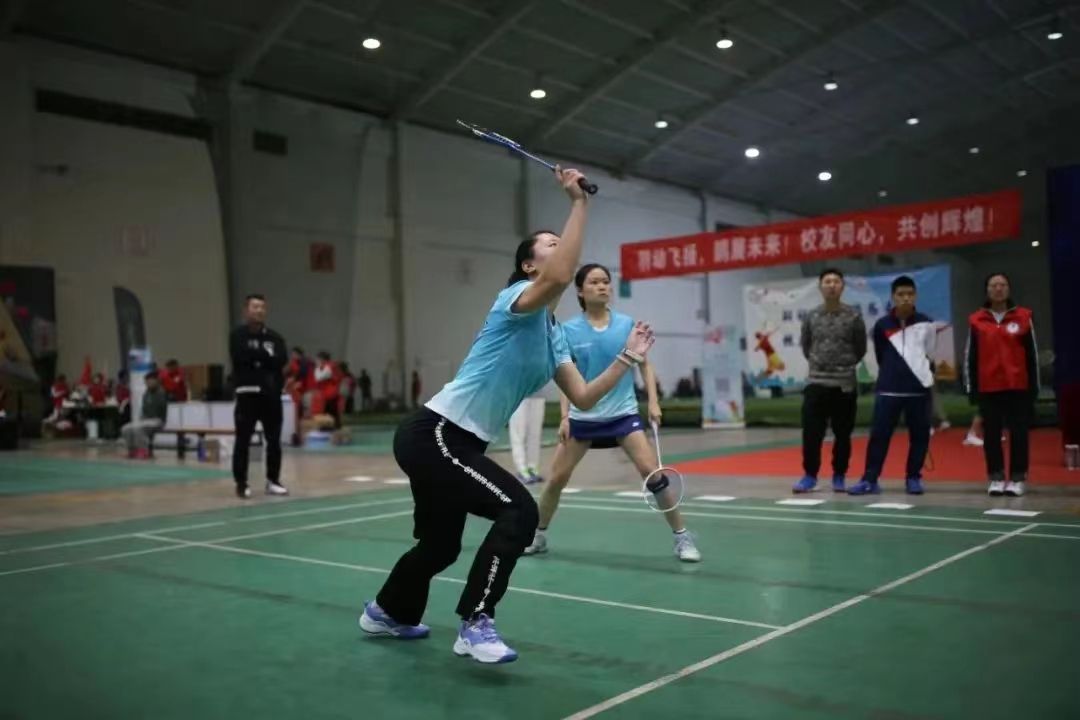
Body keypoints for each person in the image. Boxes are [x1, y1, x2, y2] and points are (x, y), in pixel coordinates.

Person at [359, 166, 655, 664]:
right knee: (519, 509)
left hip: (456, 442)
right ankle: (476, 622)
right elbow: (560, 275)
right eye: (550, 244)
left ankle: (387, 611)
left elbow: (584, 397)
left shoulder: (552, 334)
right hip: (435, 432)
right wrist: (579, 204)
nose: (560, 248)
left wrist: (627, 358)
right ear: (528, 266)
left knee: (441, 546)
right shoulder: (514, 301)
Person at [524, 263, 700, 562]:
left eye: (605, 281)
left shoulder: (626, 324)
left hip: (623, 415)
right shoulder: (568, 330)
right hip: (583, 417)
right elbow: (567, 376)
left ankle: (682, 537)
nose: (602, 286)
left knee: (654, 475)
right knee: (556, 480)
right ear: (580, 291)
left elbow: (645, 364)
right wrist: (565, 417)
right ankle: (538, 535)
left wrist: (654, 402)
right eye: (594, 282)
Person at [847, 276, 936, 496]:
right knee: (879, 436)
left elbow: (931, 355)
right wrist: (892, 373)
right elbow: (881, 356)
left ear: (915, 296)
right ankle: (870, 479)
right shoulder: (882, 325)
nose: (905, 298)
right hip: (888, 390)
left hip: (918, 391)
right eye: (901, 294)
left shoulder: (927, 323)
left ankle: (913, 478)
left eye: (910, 294)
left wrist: (921, 377)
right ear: (893, 297)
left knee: (919, 436)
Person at [793, 268, 867, 494]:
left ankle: (839, 475)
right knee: (811, 433)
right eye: (827, 281)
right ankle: (810, 476)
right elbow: (806, 345)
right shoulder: (811, 316)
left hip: (844, 384)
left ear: (842, 287)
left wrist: (843, 365)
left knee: (843, 434)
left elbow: (860, 348)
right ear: (820, 286)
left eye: (836, 281)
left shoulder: (854, 316)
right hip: (816, 383)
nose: (832, 285)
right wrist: (820, 364)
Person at [964, 272, 1039, 497]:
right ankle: (995, 477)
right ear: (987, 290)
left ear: (1009, 289)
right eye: (994, 285)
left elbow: (1032, 355)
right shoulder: (976, 320)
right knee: (992, 435)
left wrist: (1033, 387)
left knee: (1019, 434)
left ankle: (1017, 478)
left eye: (1003, 285)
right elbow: (970, 356)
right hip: (988, 387)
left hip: (1018, 386)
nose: (998, 289)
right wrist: (971, 389)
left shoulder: (1024, 316)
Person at [229, 294, 288, 499]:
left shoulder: (275, 337)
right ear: (246, 310)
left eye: (262, 307)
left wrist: (259, 358)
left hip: (271, 396)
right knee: (243, 440)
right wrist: (264, 357)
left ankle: (273, 481)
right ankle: (241, 483)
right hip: (247, 395)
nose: (259, 310)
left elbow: (280, 360)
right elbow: (241, 357)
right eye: (255, 307)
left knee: (274, 441)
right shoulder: (237, 336)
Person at [121, 370, 167, 458]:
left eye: (150, 381)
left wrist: (146, 419)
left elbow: (161, 410)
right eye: (146, 382)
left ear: (156, 381)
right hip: (146, 420)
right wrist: (142, 419)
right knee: (126, 428)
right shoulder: (146, 393)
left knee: (138, 428)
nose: (147, 383)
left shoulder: (162, 393)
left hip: (158, 420)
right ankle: (132, 450)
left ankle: (143, 450)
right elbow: (144, 409)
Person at [508, 391, 545, 485]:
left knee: (535, 431)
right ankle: (521, 469)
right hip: (518, 392)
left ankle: (532, 467)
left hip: (538, 390)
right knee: (518, 431)